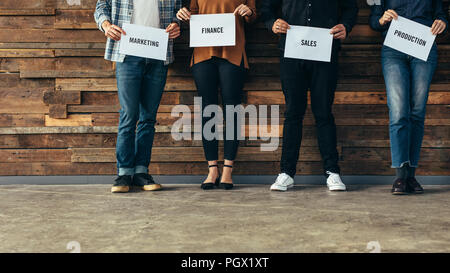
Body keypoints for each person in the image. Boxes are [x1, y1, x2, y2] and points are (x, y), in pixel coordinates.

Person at [260, 0, 358, 192]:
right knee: (293, 113)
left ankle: (332, 172)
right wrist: (272, 23)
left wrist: (346, 26)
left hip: (325, 51)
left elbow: (350, 7)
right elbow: (266, 7)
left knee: (323, 112)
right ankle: (286, 173)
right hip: (291, 52)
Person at [94, 0, 182, 193]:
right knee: (129, 114)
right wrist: (106, 25)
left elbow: (179, 10)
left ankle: (141, 172)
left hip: (158, 51)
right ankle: (124, 173)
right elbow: (101, 7)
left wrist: (177, 24)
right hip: (127, 51)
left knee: (148, 117)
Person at [176, 0, 257, 190]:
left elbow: (253, 15)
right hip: (203, 52)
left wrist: (249, 12)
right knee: (208, 111)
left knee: (232, 111)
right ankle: (212, 170)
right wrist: (184, 15)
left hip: (233, 52)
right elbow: (192, 14)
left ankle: (228, 169)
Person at [369, 0, 447, 195]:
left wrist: (442, 22)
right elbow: (374, 21)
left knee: (417, 112)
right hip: (394, 49)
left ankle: (411, 175)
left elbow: (442, 14)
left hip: (424, 47)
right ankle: (400, 176)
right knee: (398, 112)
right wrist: (381, 19)